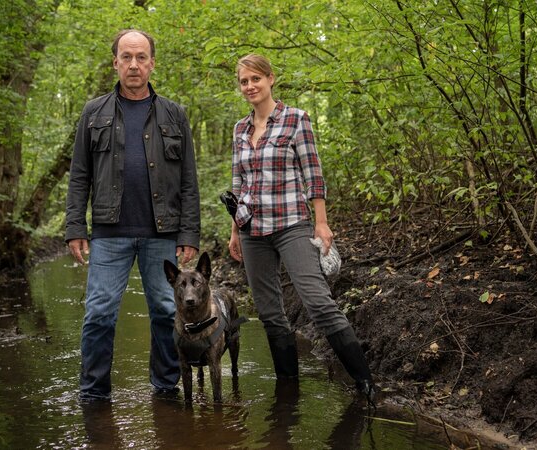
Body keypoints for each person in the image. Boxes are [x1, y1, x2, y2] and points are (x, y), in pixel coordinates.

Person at [227, 54, 375, 405]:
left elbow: (313, 174)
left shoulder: (296, 119)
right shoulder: (239, 129)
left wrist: (321, 223)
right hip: (251, 230)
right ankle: (288, 393)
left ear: (270, 79)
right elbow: (238, 184)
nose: (250, 86)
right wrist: (234, 231)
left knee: (318, 303)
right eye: (244, 81)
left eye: (255, 79)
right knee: (269, 314)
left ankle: (366, 384)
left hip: (292, 223)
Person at [65, 29, 200, 400]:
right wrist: (75, 226)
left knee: (165, 311)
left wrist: (189, 233)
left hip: (162, 231)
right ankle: (94, 395)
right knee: (99, 313)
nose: (134, 64)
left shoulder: (175, 114)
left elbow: (188, 179)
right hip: (109, 233)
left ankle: (166, 390)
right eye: (126, 57)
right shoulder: (93, 112)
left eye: (141, 57)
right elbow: (79, 174)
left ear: (152, 63)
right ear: (116, 63)